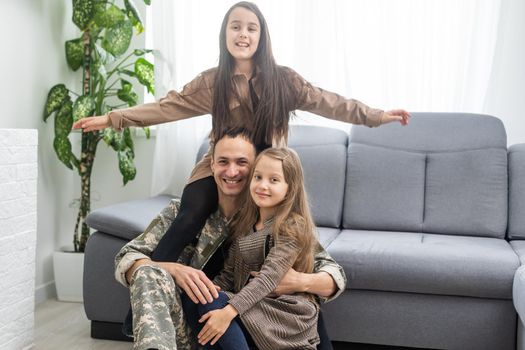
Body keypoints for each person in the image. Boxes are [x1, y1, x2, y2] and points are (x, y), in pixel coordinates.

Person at [74, 1, 410, 268]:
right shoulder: (212, 82)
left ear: (261, 36)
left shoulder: (284, 80)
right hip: (223, 166)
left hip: (265, 171)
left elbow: (327, 101)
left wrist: (375, 116)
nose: (243, 34)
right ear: (225, 34)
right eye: (235, 27)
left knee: (255, 232)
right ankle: (144, 295)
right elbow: (167, 107)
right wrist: (114, 118)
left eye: (251, 28)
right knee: (191, 213)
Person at [114, 128, 347, 350]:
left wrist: (300, 282)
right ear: (212, 164)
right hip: (185, 322)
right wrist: (175, 269)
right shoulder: (182, 211)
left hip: (247, 324)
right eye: (223, 161)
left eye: (242, 163)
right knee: (148, 272)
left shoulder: (275, 219)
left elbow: (333, 273)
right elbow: (127, 257)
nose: (232, 171)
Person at [190, 147, 322, 350]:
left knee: (214, 307)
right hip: (252, 305)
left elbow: (269, 277)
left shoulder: (292, 225)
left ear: (290, 187)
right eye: (258, 177)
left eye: (274, 180)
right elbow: (228, 276)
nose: (262, 185)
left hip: (284, 312)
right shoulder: (244, 225)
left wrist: (228, 311)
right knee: (202, 297)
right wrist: (205, 289)